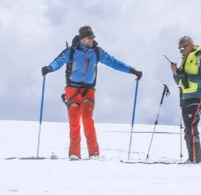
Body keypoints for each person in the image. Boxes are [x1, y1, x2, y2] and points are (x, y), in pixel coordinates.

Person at [42, 25, 142, 160]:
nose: (92, 40)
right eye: (89, 37)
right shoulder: (71, 51)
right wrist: (49, 68)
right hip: (72, 91)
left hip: (88, 91)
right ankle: (74, 154)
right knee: (74, 123)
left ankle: (94, 154)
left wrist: (132, 70)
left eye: (93, 37)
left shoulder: (97, 52)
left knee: (88, 119)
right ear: (82, 38)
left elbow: (113, 62)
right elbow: (58, 62)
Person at [169, 35, 201, 164]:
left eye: (182, 48)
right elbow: (179, 81)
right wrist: (176, 72)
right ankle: (192, 158)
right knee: (188, 128)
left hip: (197, 96)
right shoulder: (185, 59)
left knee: (191, 127)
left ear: (190, 45)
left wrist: (185, 76)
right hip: (186, 97)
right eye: (179, 49)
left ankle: (195, 159)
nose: (181, 51)